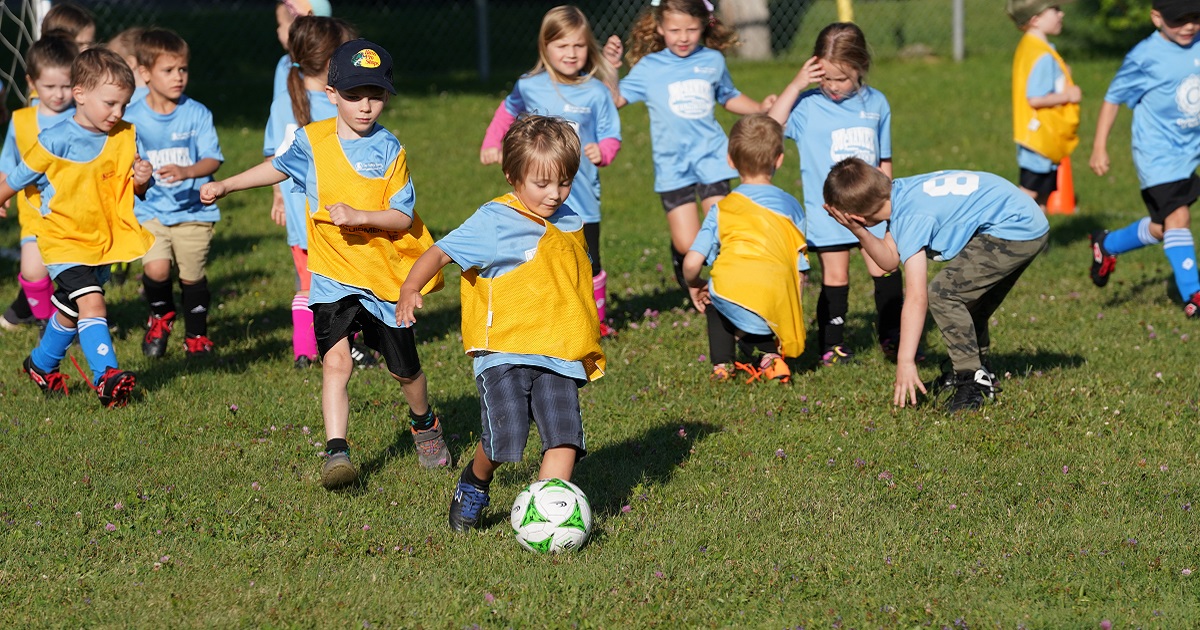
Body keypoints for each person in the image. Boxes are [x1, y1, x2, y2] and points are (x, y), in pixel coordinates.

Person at [200, 39, 451, 489]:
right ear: (332, 94)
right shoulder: (311, 140)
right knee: (336, 364)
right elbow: (278, 167)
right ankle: (337, 452)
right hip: (333, 274)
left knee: (404, 370)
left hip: (383, 277)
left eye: (376, 95)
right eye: (354, 95)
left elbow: (401, 216)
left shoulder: (391, 150)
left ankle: (423, 421)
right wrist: (227, 186)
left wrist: (361, 217)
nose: (366, 106)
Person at [397, 115, 605, 532]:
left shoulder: (570, 220)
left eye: (564, 182)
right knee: (504, 435)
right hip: (505, 349)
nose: (554, 194)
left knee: (564, 436)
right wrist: (410, 287)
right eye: (541, 183)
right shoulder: (494, 221)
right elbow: (441, 252)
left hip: (560, 350)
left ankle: (548, 519)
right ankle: (475, 482)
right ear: (513, 176)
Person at [823, 158, 1049, 412]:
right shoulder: (901, 193)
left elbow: (917, 297)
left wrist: (905, 360)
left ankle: (971, 379)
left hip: (1015, 227)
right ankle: (979, 369)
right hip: (1024, 218)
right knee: (967, 301)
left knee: (944, 294)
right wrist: (861, 231)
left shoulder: (910, 217)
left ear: (855, 215)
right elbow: (889, 259)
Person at [0, 48, 154, 408]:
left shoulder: (124, 135)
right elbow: (19, 177)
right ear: (80, 94)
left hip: (103, 240)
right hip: (63, 240)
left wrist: (142, 181)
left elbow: (133, 186)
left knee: (70, 312)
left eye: (124, 105)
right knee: (93, 304)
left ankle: (40, 365)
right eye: (110, 103)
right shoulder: (55, 140)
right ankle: (107, 376)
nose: (117, 113)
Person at [602, 0, 775, 297]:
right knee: (688, 244)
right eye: (675, 30)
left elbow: (728, 96)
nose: (683, 37)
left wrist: (759, 108)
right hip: (672, 165)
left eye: (691, 30)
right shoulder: (649, 67)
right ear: (660, 28)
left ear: (704, 26)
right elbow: (615, 99)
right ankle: (683, 261)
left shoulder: (712, 60)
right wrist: (610, 67)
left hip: (712, 157)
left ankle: (729, 290)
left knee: (720, 233)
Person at [766, 22, 902, 367]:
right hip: (828, 212)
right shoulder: (807, 105)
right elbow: (767, 129)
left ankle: (893, 336)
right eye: (824, 78)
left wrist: (891, 207)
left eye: (841, 79)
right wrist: (796, 85)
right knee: (836, 277)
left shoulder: (877, 104)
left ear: (861, 67)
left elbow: (884, 161)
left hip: (871, 208)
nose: (832, 87)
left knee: (884, 268)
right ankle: (832, 345)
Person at [480, 5, 621, 337]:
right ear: (545, 48)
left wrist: (604, 152)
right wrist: (492, 141)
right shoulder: (530, 86)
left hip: (582, 198)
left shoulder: (597, 92)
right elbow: (506, 112)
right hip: (536, 198)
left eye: (578, 46)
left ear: (588, 47)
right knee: (538, 257)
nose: (571, 54)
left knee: (588, 261)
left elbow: (611, 132)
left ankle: (595, 320)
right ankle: (542, 313)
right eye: (562, 46)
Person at [1088, 0, 1200, 318]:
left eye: (1196, 18)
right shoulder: (1144, 57)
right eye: (1180, 20)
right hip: (1158, 155)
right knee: (1178, 218)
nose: (1190, 26)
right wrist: (1099, 146)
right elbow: (1113, 99)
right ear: (1156, 18)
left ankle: (1107, 245)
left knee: (1164, 227)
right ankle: (1194, 293)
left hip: (1191, 149)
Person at [262, 15, 359, 368]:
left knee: (307, 283)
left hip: (299, 217)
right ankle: (348, 345)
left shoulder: (282, 102)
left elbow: (274, 156)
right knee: (344, 281)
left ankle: (304, 349)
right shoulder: (338, 109)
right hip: (333, 215)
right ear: (333, 63)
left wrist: (277, 196)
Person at [681, 114, 807, 384]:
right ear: (779, 159)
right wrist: (790, 312)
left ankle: (722, 365)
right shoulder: (792, 206)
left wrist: (695, 283)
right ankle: (771, 357)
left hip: (731, 291)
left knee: (717, 298)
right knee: (762, 298)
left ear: (730, 161)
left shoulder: (722, 209)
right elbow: (800, 265)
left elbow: (692, 262)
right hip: (775, 298)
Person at [124, 28, 223, 358]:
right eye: (168, 70)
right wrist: (140, 179)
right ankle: (161, 316)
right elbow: (128, 168)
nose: (178, 77)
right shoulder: (131, 119)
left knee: (192, 277)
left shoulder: (197, 113)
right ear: (145, 74)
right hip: (151, 209)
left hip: (194, 211)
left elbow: (213, 158)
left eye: (182, 69)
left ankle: (196, 335)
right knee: (156, 269)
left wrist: (188, 171)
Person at [0, 34, 78, 331]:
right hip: (35, 213)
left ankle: (83, 319)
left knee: (77, 275)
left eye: (66, 86)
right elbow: (9, 162)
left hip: (75, 214)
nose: (59, 94)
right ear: (31, 82)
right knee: (33, 271)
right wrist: (4, 194)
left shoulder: (84, 118)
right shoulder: (20, 121)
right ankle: (48, 321)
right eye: (49, 87)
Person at [1008, 0, 1081, 209]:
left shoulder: (1031, 46)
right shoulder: (1042, 55)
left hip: (1038, 135)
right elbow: (1036, 98)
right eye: (1055, 10)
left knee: (1040, 196)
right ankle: (1004, 237)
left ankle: (1035, 239)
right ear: (1035, 19)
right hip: (1039, 138)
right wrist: (1069, 95)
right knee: (1028, 194)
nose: (1061, 15)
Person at [106, 27, 149, 105]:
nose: (106, 65)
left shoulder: (123, 99)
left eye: (111, 59)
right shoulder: (158, 95)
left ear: (129, 63)